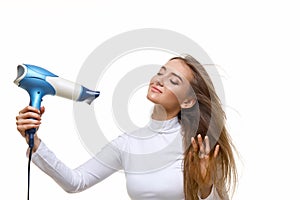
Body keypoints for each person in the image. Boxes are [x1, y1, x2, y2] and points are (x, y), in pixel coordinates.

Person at [16, 55, 237, 200]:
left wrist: (207, 187)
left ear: (188, 101)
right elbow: (76, 182)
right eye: (161, 72)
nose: (159, 80)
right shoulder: (128, 144)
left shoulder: (199, 147)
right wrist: (34, 143)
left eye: (174, 80)